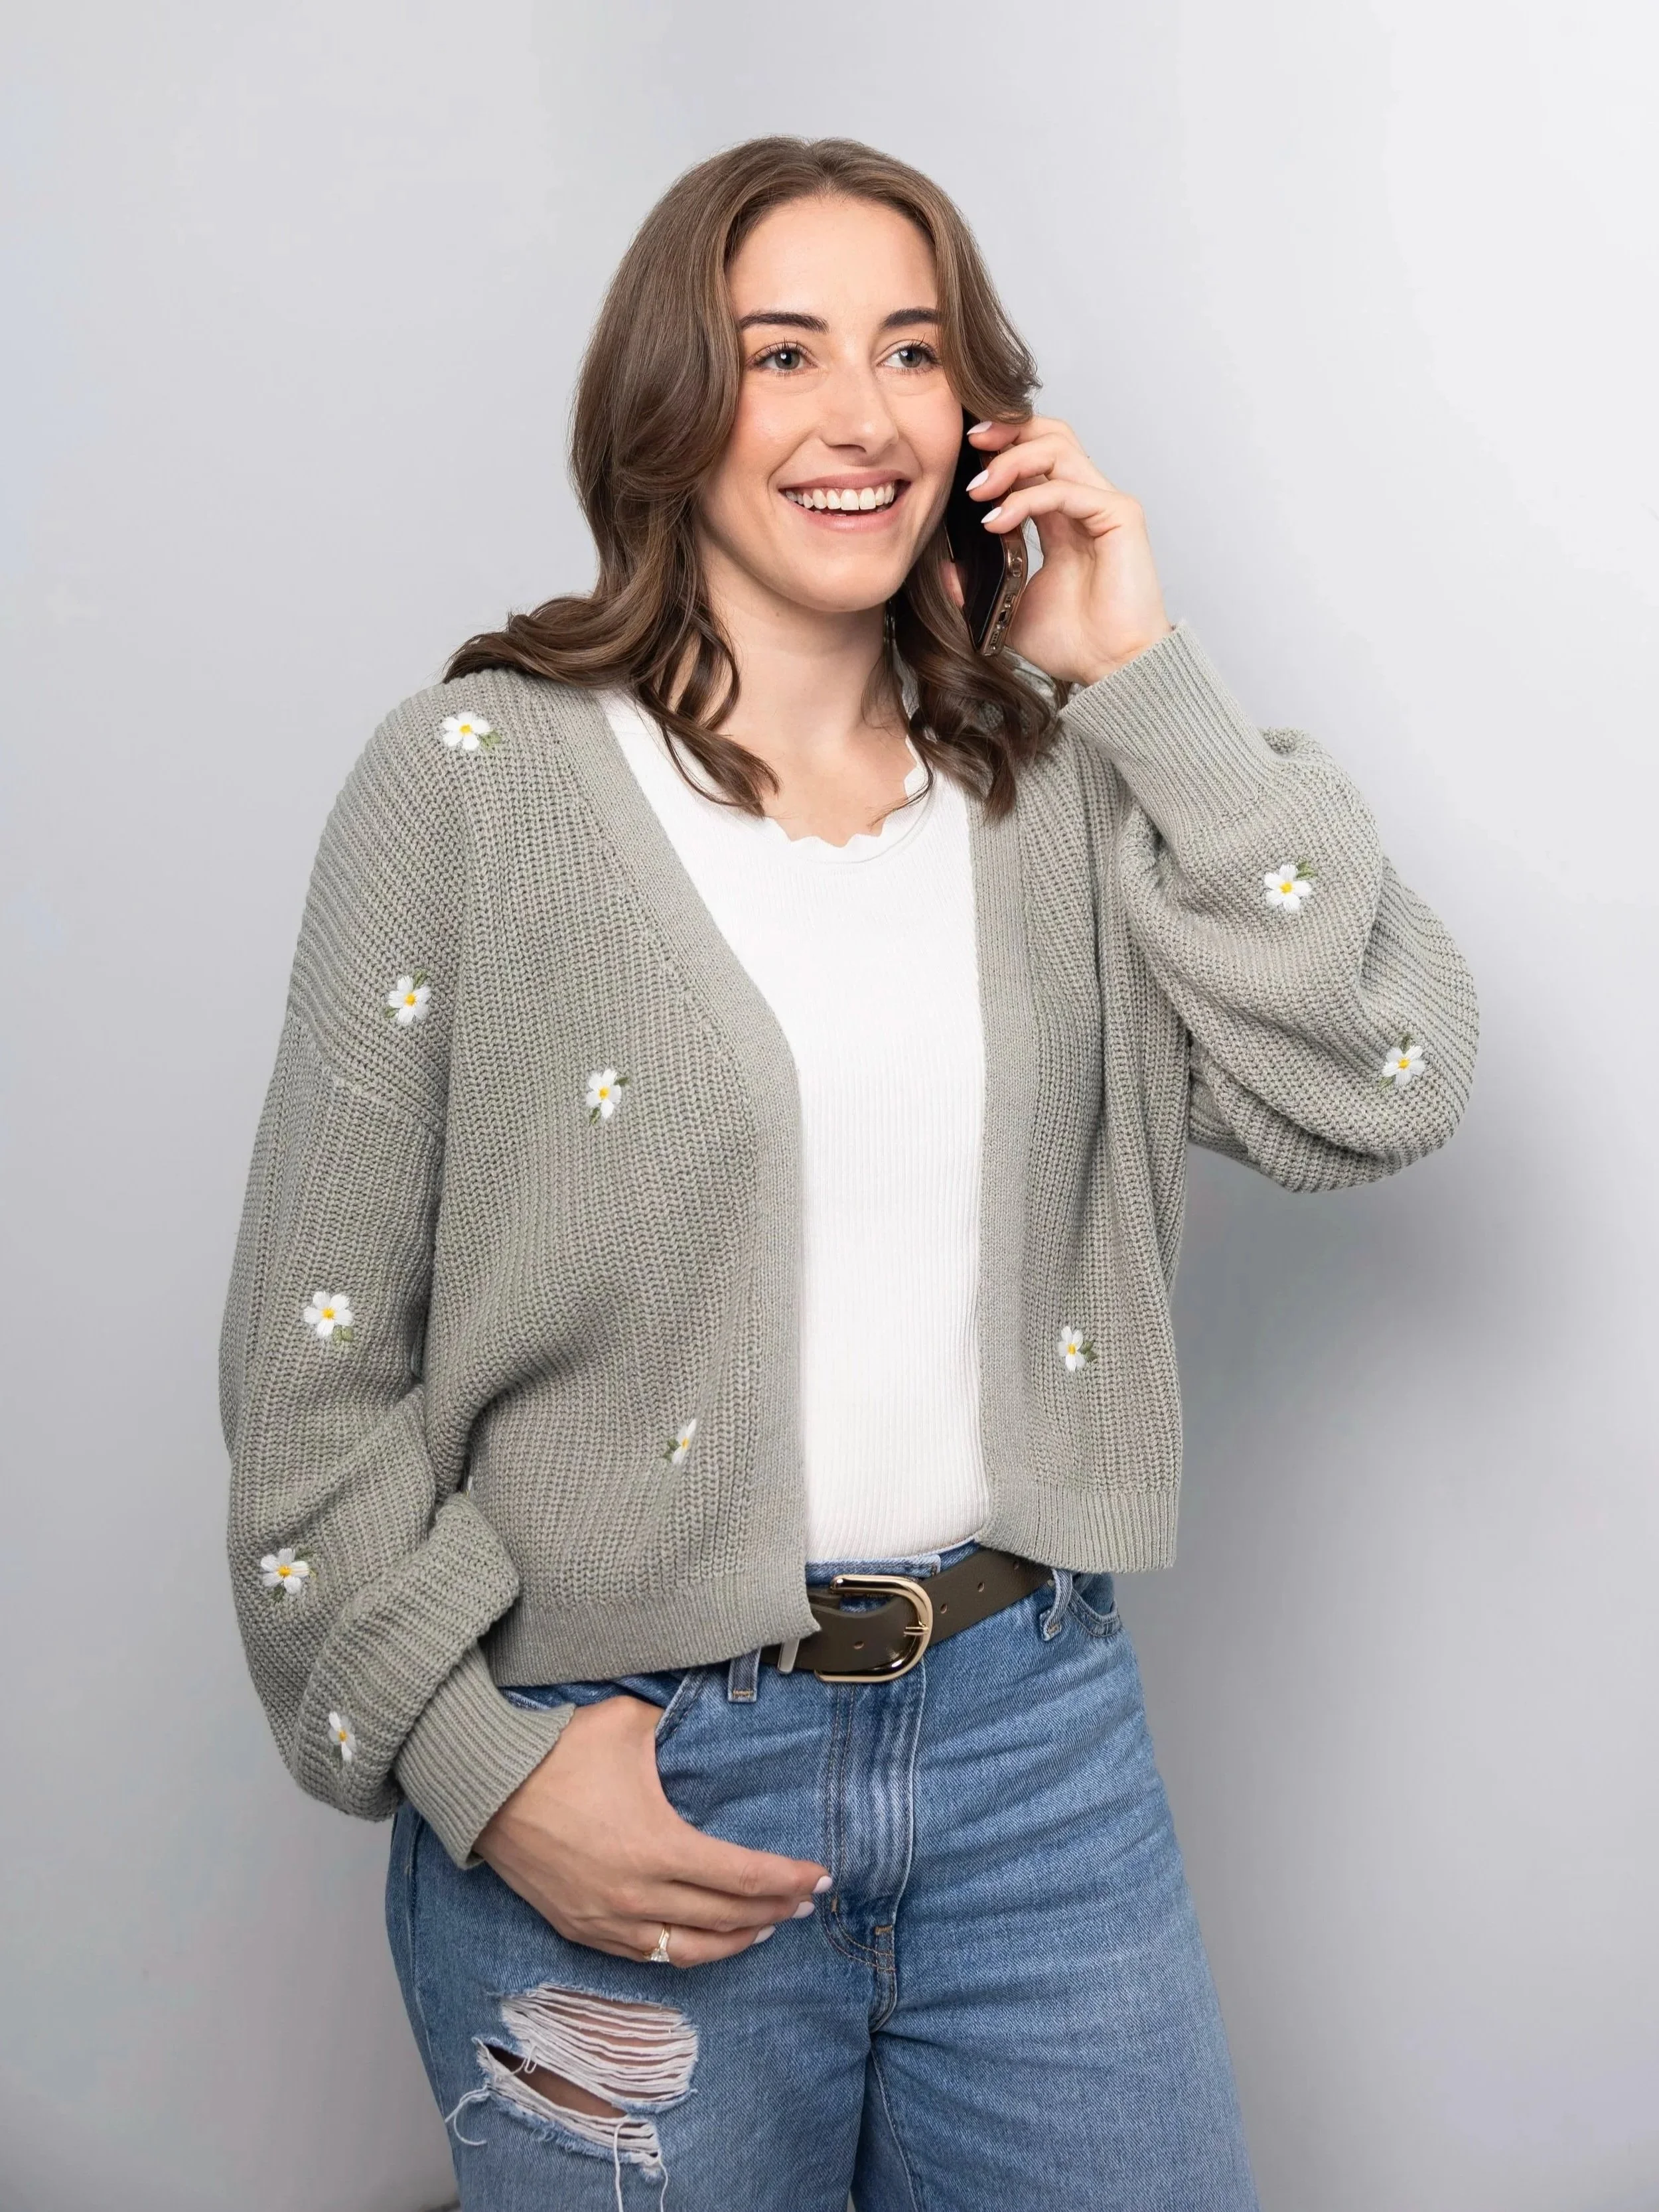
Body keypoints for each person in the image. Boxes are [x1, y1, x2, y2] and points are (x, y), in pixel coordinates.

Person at [220, 135, 1477, 2211]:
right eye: (778, 351)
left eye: (909, 350)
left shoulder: (1059, 798)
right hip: (626, 1766)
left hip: (1030, 1755)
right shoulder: (469, 787)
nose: (856, 413)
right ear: (665, 408)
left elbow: (1386, 1076)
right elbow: (311, 1376)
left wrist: (1139, 686)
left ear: (978, 415)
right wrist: (484, 1768)